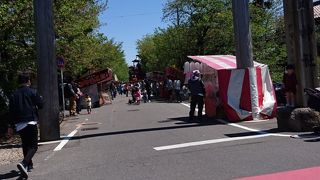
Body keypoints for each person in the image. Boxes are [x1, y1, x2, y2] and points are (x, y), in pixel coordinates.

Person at [7, 74, 44, 178]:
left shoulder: (14, 94)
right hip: (30, 121)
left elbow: (11, 112)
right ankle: (24, 163)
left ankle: (29, 165)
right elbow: (41, 105)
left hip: (19, 124)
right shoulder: (32, 91)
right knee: (33, 146)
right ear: (28, 81)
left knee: (25, 144)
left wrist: (10, 126)